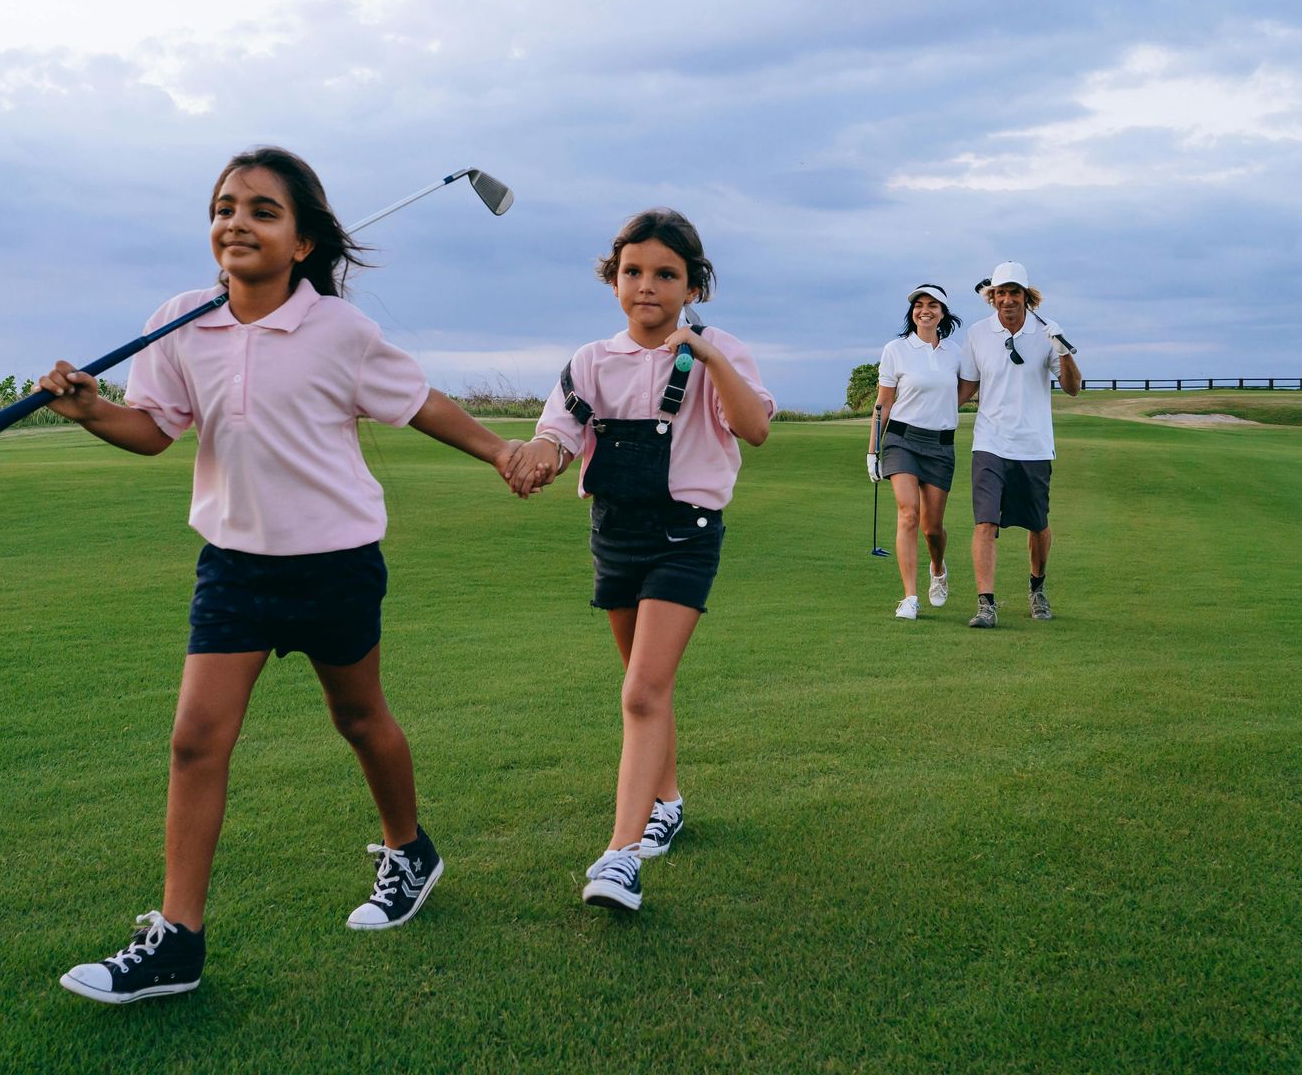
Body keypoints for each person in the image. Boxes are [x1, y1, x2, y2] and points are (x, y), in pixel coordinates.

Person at [41, 146, 528, 1004]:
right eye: (225, 207)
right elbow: (154, 429)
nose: (237, 221)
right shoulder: (181, 320)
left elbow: (419, 404)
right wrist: (90, 412)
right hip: (233, 567)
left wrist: (499, 451)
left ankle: (409, 850)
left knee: (359, 717)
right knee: (195, 740)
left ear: (303, 242)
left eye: (264, 211)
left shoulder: (338, 329)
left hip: (335, 565)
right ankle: (178, 939)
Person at [506, 208, 772, 912]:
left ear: (693, 286)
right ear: (613, 279)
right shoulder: (590, 361)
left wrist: (709, 356)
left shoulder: (721, 351)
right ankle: (669, 801)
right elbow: (556, 438)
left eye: (666, 274)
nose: (647, 286)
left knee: (641, 692)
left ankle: (618, 857)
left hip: (687, 533)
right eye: (633, 272)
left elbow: (756, 429)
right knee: (643, 684)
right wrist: (536, 460)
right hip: (615, 532)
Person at [955, 261, 1082, 629]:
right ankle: (986, 604)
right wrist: (921, 411)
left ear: (1028, 298)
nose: (1007, 300)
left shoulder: (1047, 334)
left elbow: (1073, 387)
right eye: (1001, 293)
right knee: (984, 523)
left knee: (1038, 525)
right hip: (990, 442)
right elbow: (965, 389)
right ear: (992, 298)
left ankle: (1037, 589)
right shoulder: (979, 334)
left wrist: (1063, 350)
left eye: (1015, 293)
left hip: (1034, 445)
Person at [868, 283, 964, 618]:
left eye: (933, 305)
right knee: (908, 513)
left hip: (940, 444)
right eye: (919, 305)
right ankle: (909, 597)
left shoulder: (956, 352)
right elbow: (884, 403)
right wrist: (872, 451)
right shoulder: (896, 349)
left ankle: (937, 568)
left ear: (943, 313)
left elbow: (963, 390)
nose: (925, 310)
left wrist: (942, 411)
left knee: (932, 527)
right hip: (901, 439)